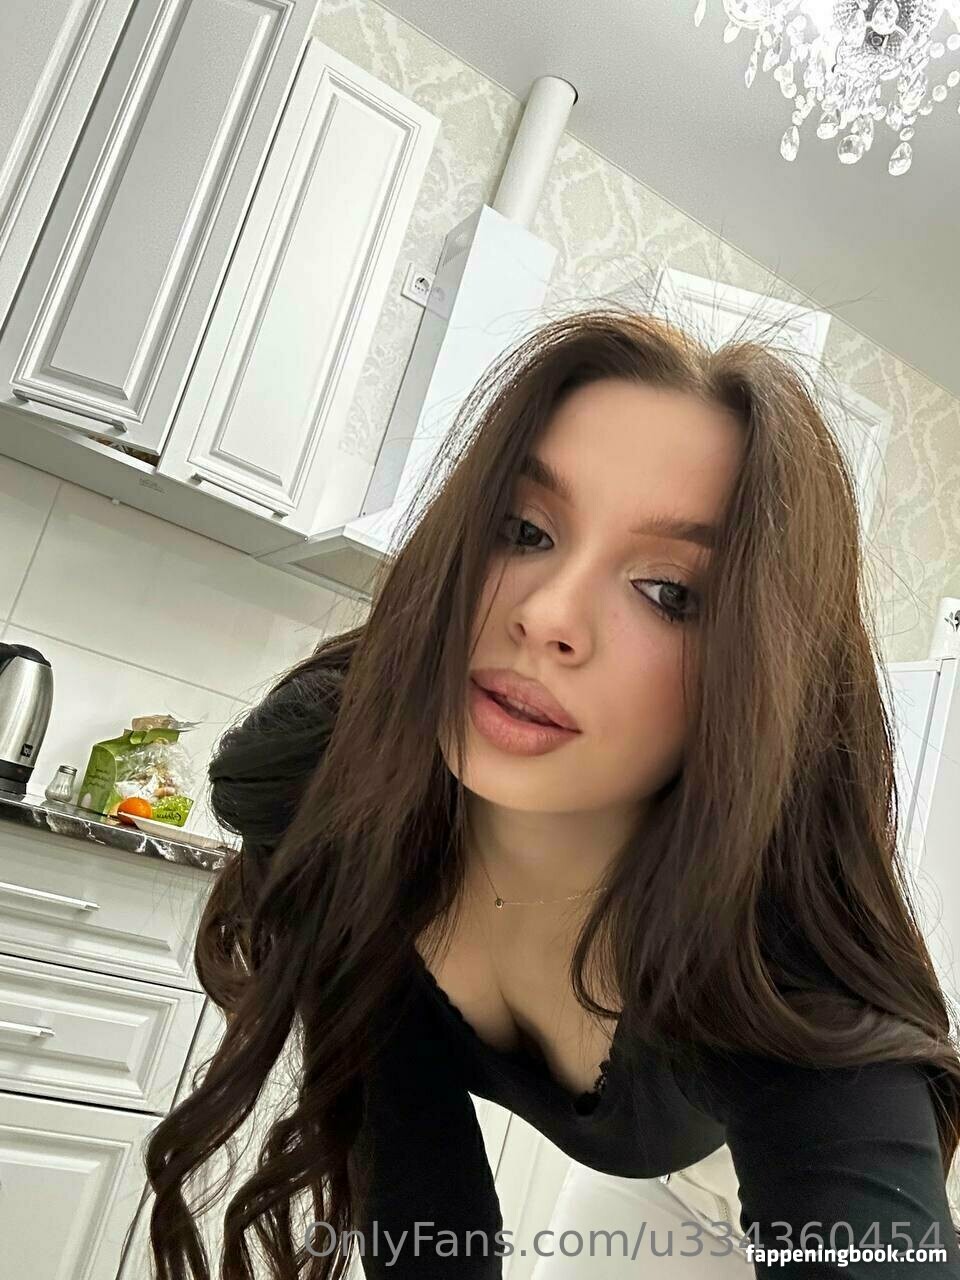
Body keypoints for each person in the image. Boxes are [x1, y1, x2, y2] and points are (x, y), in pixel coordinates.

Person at [141, 309, 960, 1279]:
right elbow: (416, 1181)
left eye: (670, 592)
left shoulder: (783, 974)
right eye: (526, 530)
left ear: (758, 685)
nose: (548, 615)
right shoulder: (328, 779)